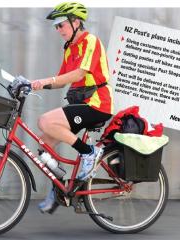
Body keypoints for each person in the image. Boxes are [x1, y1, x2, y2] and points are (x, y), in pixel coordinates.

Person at [29, 2, 113, 213]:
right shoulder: (69, 48)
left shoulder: (90, 41)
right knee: (44, 143)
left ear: (76, 22)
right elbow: (61, 80)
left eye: (61, 25)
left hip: (97, 104)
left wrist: (47, 79)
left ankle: (89, 153)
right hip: (80, 104)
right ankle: (62, 187)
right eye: (56, 26)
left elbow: (79, 74)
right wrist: (33, 84)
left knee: (45, 121)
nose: (58, 30)